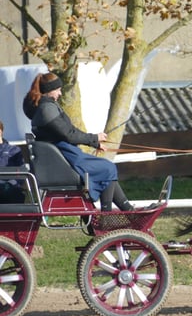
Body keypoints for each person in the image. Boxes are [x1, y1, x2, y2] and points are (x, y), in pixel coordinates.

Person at [23, 71, 134, 211]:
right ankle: (106, 216)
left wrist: (95, 142)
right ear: (49, 90)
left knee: (107, 169)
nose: (60, 93)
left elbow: (70, 130)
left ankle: (128, 210)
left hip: (65, 153)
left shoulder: (45, 107)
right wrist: (94, 138)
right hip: (66, 156)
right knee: (108, 168)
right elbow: (69, 135)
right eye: (58, 90)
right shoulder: (47, 109)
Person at [0, 119, 26, 203]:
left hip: (10, 187)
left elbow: (23, 170)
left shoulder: (14, 150)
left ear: (1, 131)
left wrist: (12, 183)